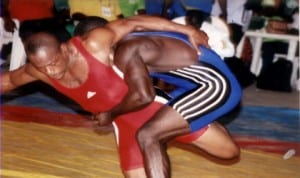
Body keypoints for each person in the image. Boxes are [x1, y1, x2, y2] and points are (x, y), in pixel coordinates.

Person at [1, 15, 210, 178]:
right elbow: (8, 81)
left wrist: (186, 29)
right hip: (126, 126)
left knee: (228, 153)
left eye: (53, 62)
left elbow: (134, 23)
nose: (51, 71)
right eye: (43, 67)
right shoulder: (42, 70)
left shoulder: (96, 46)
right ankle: (159, 139)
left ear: (65, 50)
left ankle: (163, 135)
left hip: (158, 111)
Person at [94, 30, 242, 177]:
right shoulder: (127, 39)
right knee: (151, 135)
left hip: (214, 85)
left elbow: (143, 96)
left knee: (148, 135)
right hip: (191, 86)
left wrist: (110, 114)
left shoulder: (125, 51)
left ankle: (180, 128)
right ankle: (182, 127)